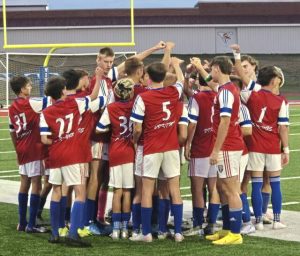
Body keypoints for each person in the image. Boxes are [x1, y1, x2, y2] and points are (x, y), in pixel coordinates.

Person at [40, 70, 104, 246]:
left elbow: (44, 139)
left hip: (55, 155)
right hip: (74, 154)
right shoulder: (76, 103)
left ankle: (54, 233)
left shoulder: (46, 112)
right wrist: (97, 78)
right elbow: (93, 95)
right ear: (63, 90)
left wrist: (59, 139)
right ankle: (73, 234)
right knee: (80, 192)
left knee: (57, 191)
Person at [130, 58, 185, 242]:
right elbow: (181, 81)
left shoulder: (143, 97)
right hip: (171, 148)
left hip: (152, 148)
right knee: (174, 189)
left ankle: (146, 234)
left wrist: (134, 140)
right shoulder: (173, 92)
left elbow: (137, 128)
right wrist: (177, 65)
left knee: (146, 190)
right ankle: (177, 232)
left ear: (148, 77)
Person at [192, 56, 244, 245]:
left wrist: (215, 150)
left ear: (217, 69)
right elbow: (211, 83)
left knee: (231, 189)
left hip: (228, 146)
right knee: (222, 187)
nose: (211, 72)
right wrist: (199, 67)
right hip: (228, 145)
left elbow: (224, 122)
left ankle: (236, 233)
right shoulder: (225, 89)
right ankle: (228, 228)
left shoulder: (225, 92)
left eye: (211, 69)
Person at [9, 76, 50, 233]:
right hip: (34, 148)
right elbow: (52, 99)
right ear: (22, 89)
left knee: (24, 183)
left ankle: (22, 222)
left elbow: (12, 131)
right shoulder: (31, 103)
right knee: (36, 184)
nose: (31, 87)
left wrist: (18, 150)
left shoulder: (12, 107)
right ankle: (32, 224)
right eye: (28, 85)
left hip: (22, 149)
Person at [96, 78, 136, 240]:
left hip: (116, 151)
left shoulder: (111, 108)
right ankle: (125, 228)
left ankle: (116, 229)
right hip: (130, 151)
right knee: (127, 191)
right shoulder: (136, 106)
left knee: (117, 191)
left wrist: (112, 130)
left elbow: (99, 129)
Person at [184, 70, 219, 237]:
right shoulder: (218, 95)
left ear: (199, 81)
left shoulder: (196, 98)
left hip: (200, 147)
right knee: (213, 188)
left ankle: (198, 224)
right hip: (215, 147)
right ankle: (211, 223)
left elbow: (192, 123)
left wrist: (187, 143)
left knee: (197, 189)